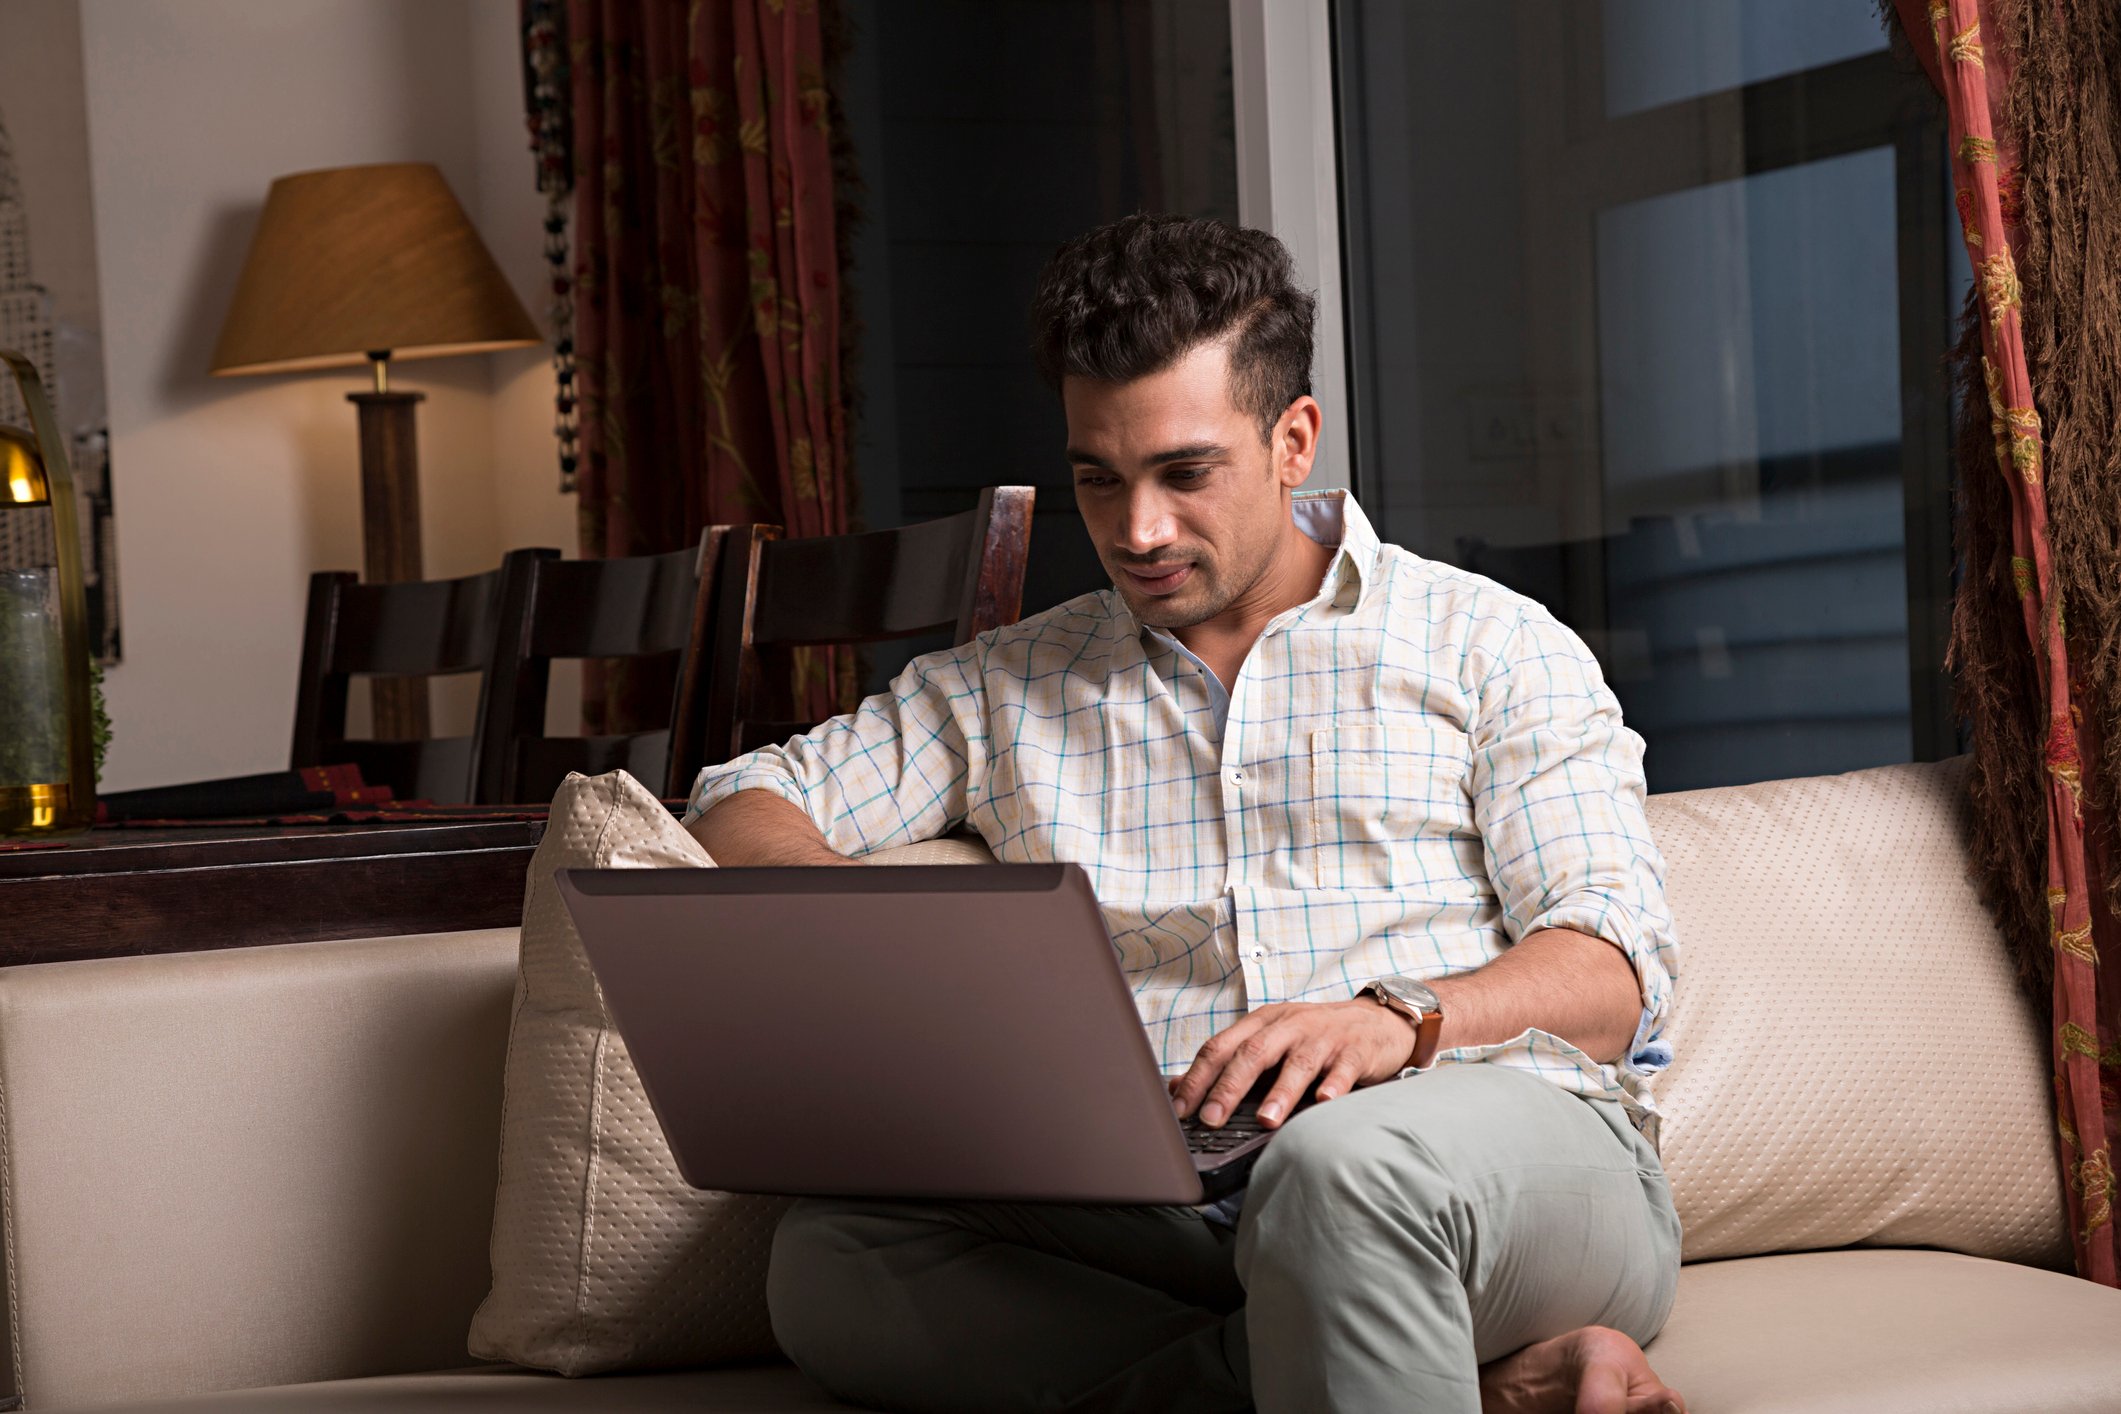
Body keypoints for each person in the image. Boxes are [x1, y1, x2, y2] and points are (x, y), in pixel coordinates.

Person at [685, 214, 1686, 1414]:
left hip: (1497, 1156)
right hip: (1173, 1192)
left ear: (1292, 440)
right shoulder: (1007, 683)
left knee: (1339, 1171)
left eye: (1183, 472)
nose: (1137, 529)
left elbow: (1613, 970)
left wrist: (1395, 1023)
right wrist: (861, 909)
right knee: (834, 1259)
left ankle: (1373, 1326)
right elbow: (741, 797)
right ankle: (1467, 1377)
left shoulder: (1491, 643)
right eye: (1097, 478)